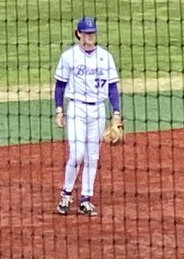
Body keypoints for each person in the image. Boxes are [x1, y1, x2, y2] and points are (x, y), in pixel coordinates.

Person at [54, 16, 122, 217]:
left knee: (93, 156)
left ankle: (86, 199)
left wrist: (116, 113)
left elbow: (112, 88)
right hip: (76, 109)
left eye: (93, 33)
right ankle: (66, 195)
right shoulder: (69, 56)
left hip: (98, 110)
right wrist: (59, 110)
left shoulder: (106, 57)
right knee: (77, 154)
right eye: (86, 33)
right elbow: (60, 85)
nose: (90, 36)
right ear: (79, 34)